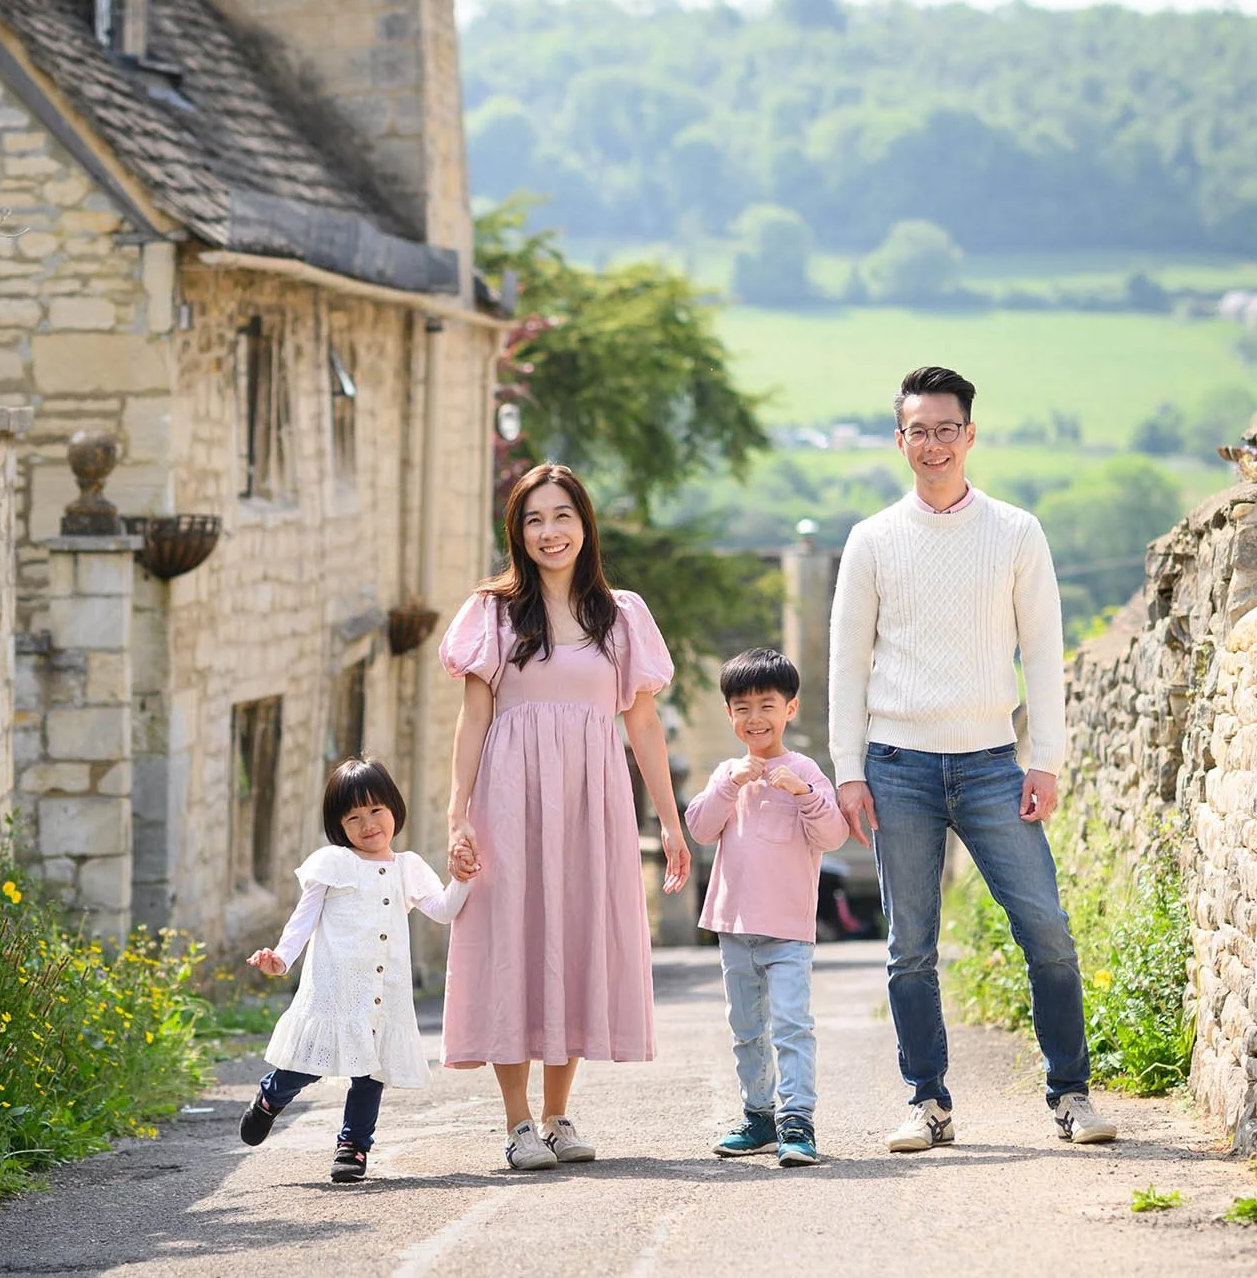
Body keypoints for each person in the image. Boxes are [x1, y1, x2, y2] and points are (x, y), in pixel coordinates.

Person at [828, 364, 1118, 1151]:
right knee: (909, 948)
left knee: (1048, 930)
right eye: (917, 430)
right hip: (897, 763)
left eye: (945, 428)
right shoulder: (872, 540)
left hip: (993, 761)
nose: (932, 443)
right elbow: (847, 662)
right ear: (900, 440)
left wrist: (1046, 759)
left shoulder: (1017, 532)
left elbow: (1045, 652)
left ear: (970, 434)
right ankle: (927, 1099)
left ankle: (1071, 1092)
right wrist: (847, 769)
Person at [440, 462, 691, 1171]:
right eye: (533, 519)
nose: (550, 532)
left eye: (562, 516)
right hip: (510, 795)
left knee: (576, 936)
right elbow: (472, 720)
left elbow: (643, 727)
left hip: (593, 799)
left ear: (586, 524)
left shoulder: (622, 615)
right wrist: (457, 816)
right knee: (514, 938)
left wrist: (670, 823)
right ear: (517, 532)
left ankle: (557, 1116)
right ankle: (517, 1121)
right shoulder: (491, 613)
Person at [240, 756, 475, 1183]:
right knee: (309, 1063)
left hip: (384, 990)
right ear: (339, 826)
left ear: (394, 810)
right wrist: (280, 958)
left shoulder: (409, 867)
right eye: (353, 817)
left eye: (376, 811)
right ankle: (271, 1097)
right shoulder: (332, 863)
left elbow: (442, 911)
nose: (368, 824)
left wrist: (463, 877)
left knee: (371, 1072)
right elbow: (303, 919)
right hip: (335, 988)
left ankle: (353, 1146)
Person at [684, 648, 850, 1167]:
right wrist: (731, 784)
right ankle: (758, 1117)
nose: (755, 718)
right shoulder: (727, 773)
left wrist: (803, 794)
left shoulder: (804, 771)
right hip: (734, 927)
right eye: (742, 708)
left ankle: (796, 1121)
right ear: (729, 714)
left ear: (790, 709)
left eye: (766, 706)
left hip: (788, 931)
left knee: (792, 1025)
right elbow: (700, 828)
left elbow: (834, 835)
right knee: (746, 1028)